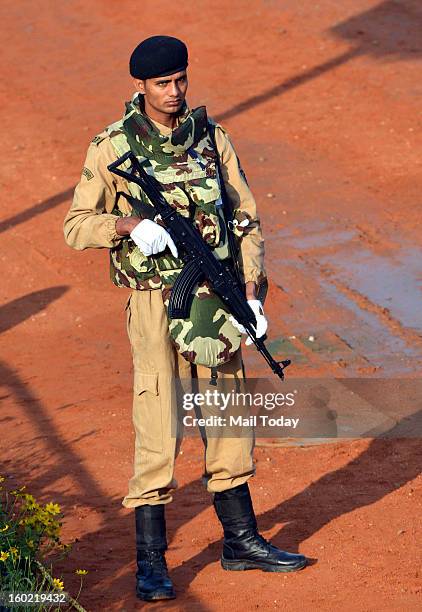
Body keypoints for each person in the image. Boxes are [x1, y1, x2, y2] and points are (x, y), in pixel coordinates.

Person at [63, 35, 307, 602]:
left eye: (181, 80)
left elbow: (244, 217)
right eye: (162, 84)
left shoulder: (212, 139)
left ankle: (241, 542)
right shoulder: (111, 146)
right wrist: (127, 228)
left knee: (227, 416)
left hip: (216, 303)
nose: (174, 93)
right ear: (140, 87)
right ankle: (151, 562)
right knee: (158, 421)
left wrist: (250, 294)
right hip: (155, 303)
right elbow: (77, 225)